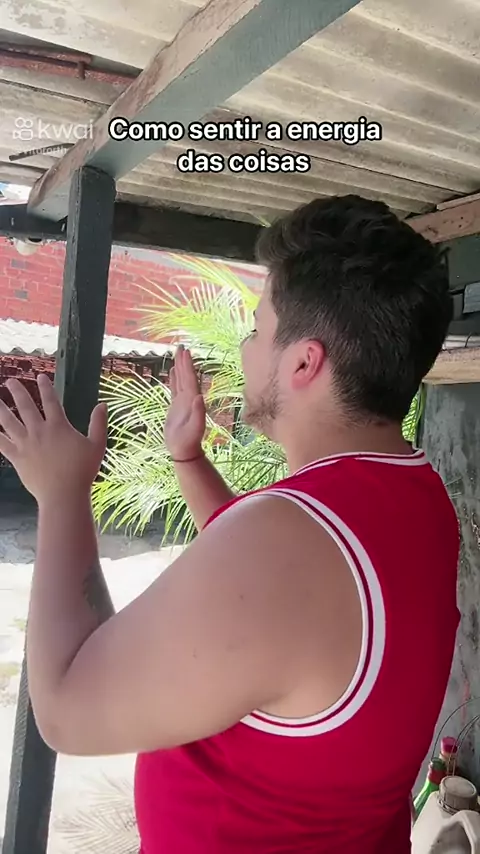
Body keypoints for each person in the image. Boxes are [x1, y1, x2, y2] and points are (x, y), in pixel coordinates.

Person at [0, 194, 459, 854]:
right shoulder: (414, 495)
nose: (245, 349)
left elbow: (68, 709)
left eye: (257, 329)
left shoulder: (288, 543)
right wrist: (187, 459)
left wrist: (62, 492)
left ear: (303, 363)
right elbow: (282, 608)